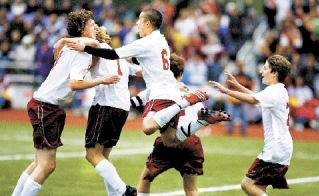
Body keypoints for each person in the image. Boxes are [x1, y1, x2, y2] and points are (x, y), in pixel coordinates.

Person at [11, 10, 120, 196]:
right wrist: (102, 80)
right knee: (47, 165)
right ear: (81, 29)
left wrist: (65, 42)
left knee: (39, 163)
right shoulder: (81, 51)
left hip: (43, 104)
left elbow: (69, 51)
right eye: (91, 25)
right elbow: (75, 83)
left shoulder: (73, 46)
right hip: (46, 107)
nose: (95, 27)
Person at [65, 8, 210, 148]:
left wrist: (85, 49)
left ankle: (185, 103)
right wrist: (132, 61)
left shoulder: (145, 42)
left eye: (139, 21)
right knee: (170, 141)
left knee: (147, 127)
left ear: (147, 24)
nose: (137, 24)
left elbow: (112, 55)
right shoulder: (161, 40)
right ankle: (202, 121)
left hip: (159, 92)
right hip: (170, 89)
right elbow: (146, 61)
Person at [54, 26, 141, 196]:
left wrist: (64, 42)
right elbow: (142, 72)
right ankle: (116, 195)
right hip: (122, 108)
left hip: (105, 104)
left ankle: (124, 191)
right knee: (104, 156)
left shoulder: (97, 48)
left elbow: (85, 48)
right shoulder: (119, 55)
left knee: (92, 154)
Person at [132, 54, 231, 196]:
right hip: (190, 141)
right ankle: (200, 121)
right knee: (191, 190)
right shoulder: (190, 91)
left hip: (167, 140)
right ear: (182, 73)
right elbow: (199, 111)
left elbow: (136, 102)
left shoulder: (160, 89)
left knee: (146, 179)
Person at [210, 54, 293, 196]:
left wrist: (227, 91)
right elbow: (257, 96)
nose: (261, 71)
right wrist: (238, 86)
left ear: (275, 73)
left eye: (265, 68)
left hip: (275, 149)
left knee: (247, 184)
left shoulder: (274, 91)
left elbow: (253, 99)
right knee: (258, 188)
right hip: (282, 148)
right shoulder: (278, 90)